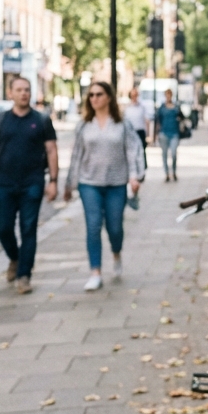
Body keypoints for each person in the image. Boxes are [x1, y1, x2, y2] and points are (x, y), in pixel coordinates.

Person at [0, 76, 58, 295]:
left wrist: (53, 181)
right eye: (20, 90)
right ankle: (14, 257)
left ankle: (24, 275)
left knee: (28, 229)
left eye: (27, 89)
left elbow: (51, 150)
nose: (24, 93)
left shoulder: (41, 120)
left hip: (32, 183)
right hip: (4, 183)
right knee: (3, 227)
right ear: (10, 93)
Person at [64, 81, 144, 292]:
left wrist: (135, 177)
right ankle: (95, 272)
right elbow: (76, 156)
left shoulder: (122, 124)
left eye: (99, 94)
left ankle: (116, 253)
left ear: (109, 97)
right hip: (89, 183)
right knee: (93, 225)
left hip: (116, 183)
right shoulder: (84, 125)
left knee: (114, 227)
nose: (94, 98)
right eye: (91, 95)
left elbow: (133, 151)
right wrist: (69, 183)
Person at [154, 89, 182, 182]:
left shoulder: (176, 107)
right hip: (164, 133)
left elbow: (182, 117)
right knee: (164, 154)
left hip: (174, 133)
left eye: (170, 95)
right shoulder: (162, 107)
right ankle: (166, 173)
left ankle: (174, 171)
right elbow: (158, 121)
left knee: (174, 154)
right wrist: (156, 134)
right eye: (167, 95)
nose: (168, 97)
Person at [122, 88, 152, 170]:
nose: (134, 97)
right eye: (133, 95)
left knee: (141, 151)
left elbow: (147, 121)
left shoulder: (142, 107)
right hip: (130, 132)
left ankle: (142, 168)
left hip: (140, 132)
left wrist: (148, 135)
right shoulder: (127, 108)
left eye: (136, 95)